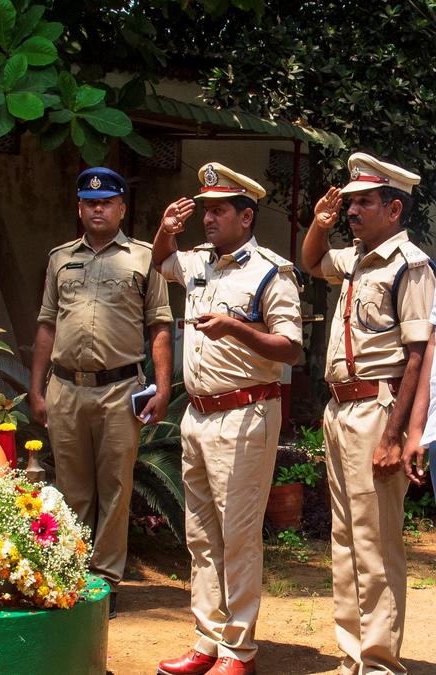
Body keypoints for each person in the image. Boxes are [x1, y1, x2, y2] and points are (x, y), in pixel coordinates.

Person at [152, 164, 302, 675]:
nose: (208, 218)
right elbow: (161, 263)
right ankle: (206, 640)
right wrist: (165, 229)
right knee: (201, 535)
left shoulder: (269, 272)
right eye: (205, 209)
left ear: (246, 216)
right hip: (197, 415)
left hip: (246, 415)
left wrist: (237, 329)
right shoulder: (197, 263)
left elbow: (292, 348)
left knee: (237, 536)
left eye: (219, 210)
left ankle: (239, 650)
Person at [301, 152, 434, 675]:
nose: (353, 212)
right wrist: (320, 222)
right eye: (350, 203)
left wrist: (396, 435)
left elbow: (419, 356)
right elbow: (312, 260)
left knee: (376, 541)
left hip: (379, 408)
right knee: (345, 537)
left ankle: (380, 662)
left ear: (394, 208)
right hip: (341, 409)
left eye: (364, 203)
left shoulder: (411, 265)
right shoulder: (356, 257)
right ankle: (352, 652)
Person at [29, 167, 173, 619]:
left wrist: (163, 387)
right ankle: (71, 575)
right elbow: (47, 325)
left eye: (107, 201)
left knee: (115, 488)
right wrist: (37, 391)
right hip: (66, 389)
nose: (98, 208)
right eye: (90, 202)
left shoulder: (145, 258)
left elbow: (160, 327)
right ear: (79, 207)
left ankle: (105, 582)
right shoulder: (58, 259)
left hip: (119, 391)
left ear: (121, 209)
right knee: (72, 489)